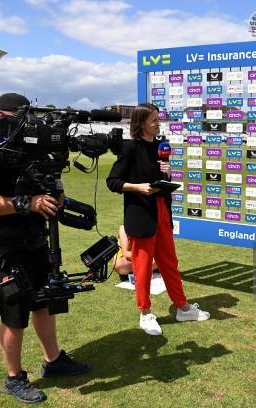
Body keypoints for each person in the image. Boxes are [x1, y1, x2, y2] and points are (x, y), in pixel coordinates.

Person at [0, 93, 90, 404]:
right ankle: (14, 377)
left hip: (35, 239)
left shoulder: (35, 150)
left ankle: (53, 360)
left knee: (43, 303)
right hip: (1, 245)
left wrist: (55, 191)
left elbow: (54, 195)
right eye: (19, 118)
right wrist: (26, 203)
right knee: (14, 312)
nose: (26, 125)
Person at [107, 103, 210, 336]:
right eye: (153, 120)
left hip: (163, 211)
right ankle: (145, 313)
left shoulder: (162, 146)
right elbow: (113, 181)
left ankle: (182, 307)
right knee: (142, 267)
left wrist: (167, 175)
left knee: (169, 263)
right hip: (141, 215)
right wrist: (137, 187)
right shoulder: (130, 147)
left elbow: (159, 180)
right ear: (141, 123)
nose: (158, 123)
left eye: (158, 119)